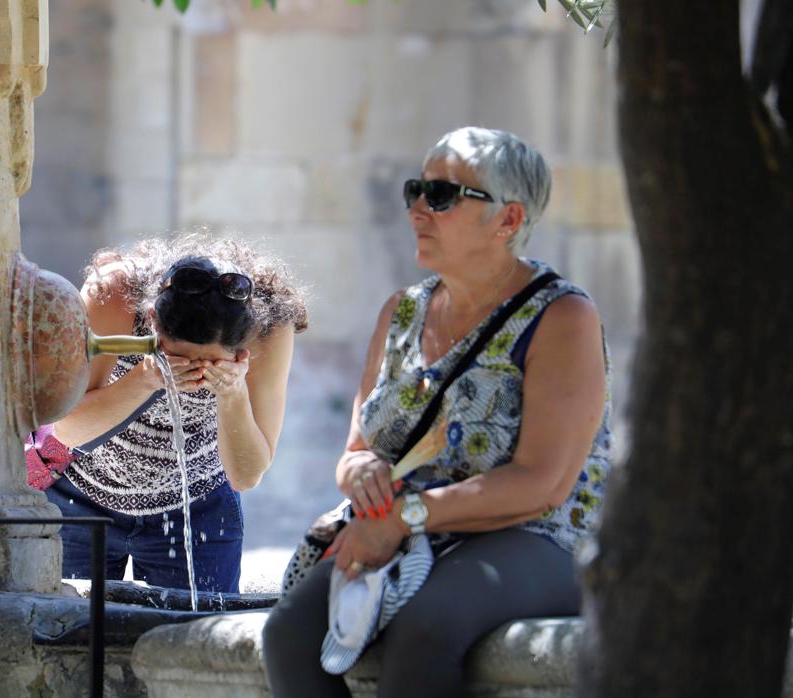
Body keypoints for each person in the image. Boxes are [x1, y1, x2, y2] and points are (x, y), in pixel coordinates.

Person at [262, 127, 612, 696]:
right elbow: (357, 449)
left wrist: (405, 517)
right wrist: (363, 474)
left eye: (443, 195)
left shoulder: (563, 317)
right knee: (287, 634)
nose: (418, 210)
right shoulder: (401, 311)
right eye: (416, 190)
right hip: (408, 529)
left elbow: (542, 484)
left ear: (508, 219)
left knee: (427, 627)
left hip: (537, 534)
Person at [43, 234, 308, 594]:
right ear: (153, 321)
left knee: (198, 628)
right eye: (179, 358)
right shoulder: (115, 293)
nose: (195, 374)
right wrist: (146, 378)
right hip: (82, 500)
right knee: (67, 624)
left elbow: (246, 475)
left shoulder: (269, 327)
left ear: (242, 343)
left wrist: (232, 392)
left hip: (197, 509)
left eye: (211, 364)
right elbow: (67, 429)